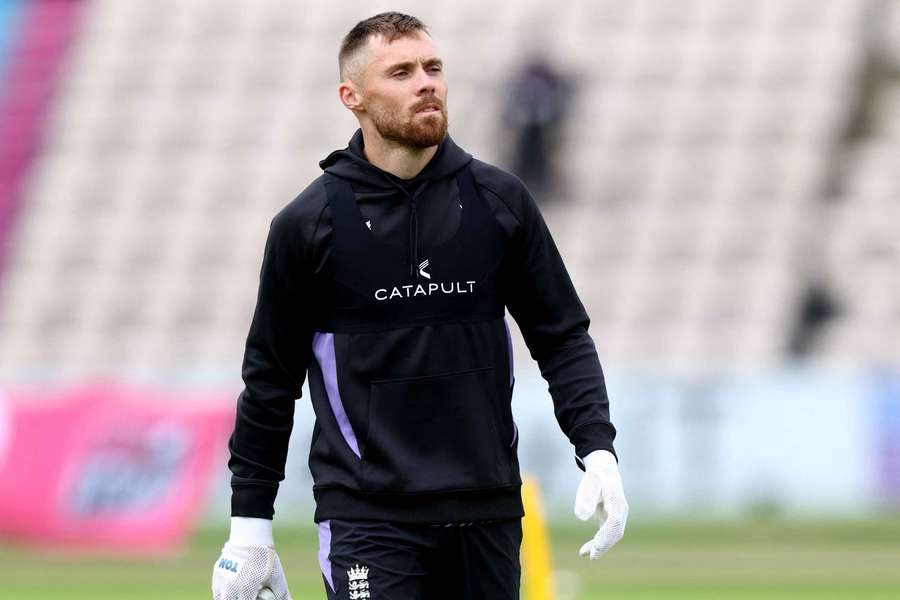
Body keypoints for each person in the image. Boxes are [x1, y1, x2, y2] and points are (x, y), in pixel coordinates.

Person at [211, 12, 628, 600]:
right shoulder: (308, 227)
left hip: (487, 511)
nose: (425, 82)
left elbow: (561, 337)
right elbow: (270, 383)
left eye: (433, 68)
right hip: (366, 518)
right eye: (401, 72)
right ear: (351, 97)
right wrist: (249, 530)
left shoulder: (500, 203)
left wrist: (598, 448)